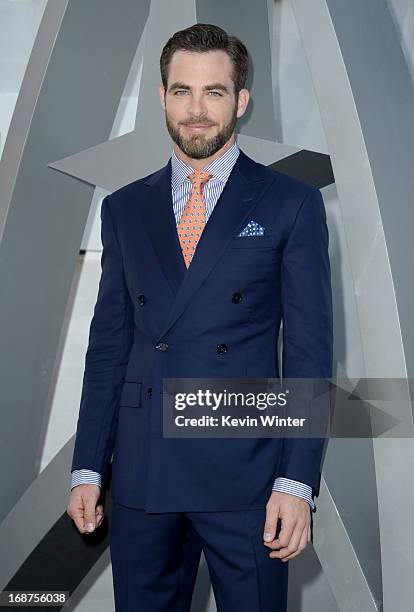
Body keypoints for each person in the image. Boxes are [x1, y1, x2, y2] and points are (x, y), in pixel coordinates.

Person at [67, 23, 333, 612]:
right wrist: (88, 464)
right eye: (181, 91)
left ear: (241, 100)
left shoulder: (291, 202)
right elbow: (109, 344)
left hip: (248, 474)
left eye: (213, 92)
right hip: (141, 471)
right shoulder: (125, 207)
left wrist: (297, 483)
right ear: (162, 97)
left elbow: (310, 350)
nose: (195, 110)